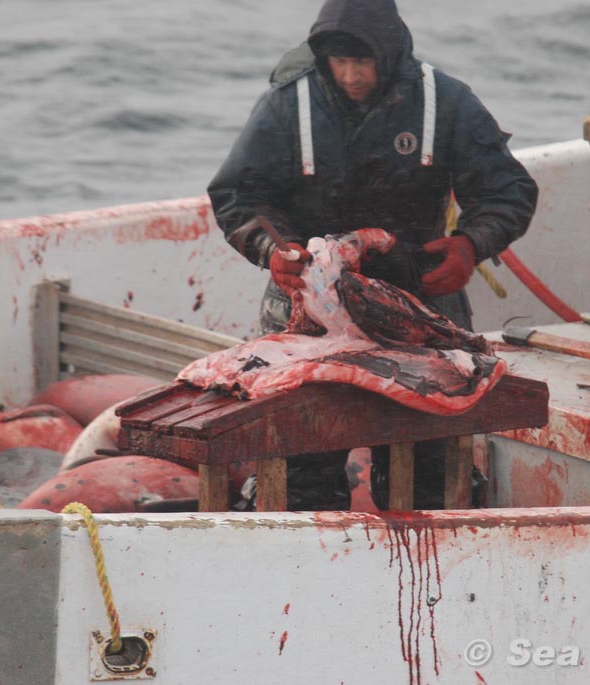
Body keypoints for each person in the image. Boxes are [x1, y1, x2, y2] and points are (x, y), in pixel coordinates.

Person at [207, 0, 538, 511]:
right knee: (299, 471)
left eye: (363, 63)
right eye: (339, 63)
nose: (352, 76)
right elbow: (238, 194)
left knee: (433, 469)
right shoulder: (286, 105)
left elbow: (507, 191)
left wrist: (472, 242)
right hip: (308, 305)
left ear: (391, 55)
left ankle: (433, 573)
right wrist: (271, 248)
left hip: (421, 303)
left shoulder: (444, 102)